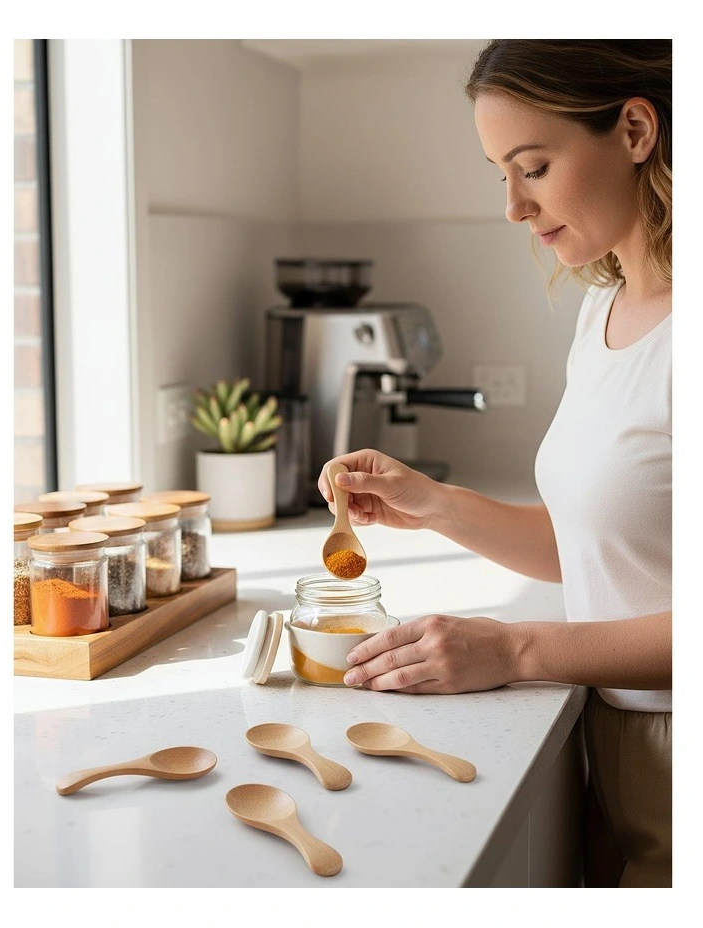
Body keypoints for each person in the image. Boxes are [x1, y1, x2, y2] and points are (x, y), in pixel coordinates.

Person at [318, 40, 671, 889]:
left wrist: (515, 649)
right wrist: (433, 504)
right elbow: (617, 548)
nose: (514, 206)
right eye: (499, 174)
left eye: (535, 166)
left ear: (633, 130)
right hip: (619, 741)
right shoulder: (606, 312)